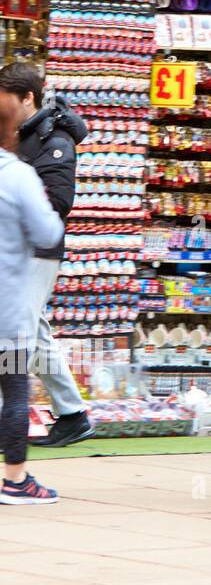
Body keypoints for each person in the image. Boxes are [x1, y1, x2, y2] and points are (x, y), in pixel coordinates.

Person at [0, 62, 92, 448]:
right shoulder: (22, 134)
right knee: (31, 331)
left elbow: (58, 203)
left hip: (38, 250)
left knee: (20, 331)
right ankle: (71, 413)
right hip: (19, 248)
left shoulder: (54, 141)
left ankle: (40, 414)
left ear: (28, 98)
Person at [0, 90, 65, 504]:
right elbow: (48, 233)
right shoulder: (17, 174)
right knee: (14, 390)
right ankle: (16, 479)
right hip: (6, 313)